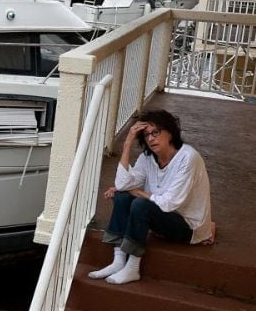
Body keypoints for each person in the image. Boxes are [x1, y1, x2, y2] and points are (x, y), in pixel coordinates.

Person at [87, 109, 213, 285]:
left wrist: (137, 192)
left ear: (170, 132)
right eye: (146, 135)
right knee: (122, 196)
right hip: (162, 217)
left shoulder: (188, 158)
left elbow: (168, 203)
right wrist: (127, 143)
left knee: (140, 204)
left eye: (156, 132)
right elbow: (124, 184)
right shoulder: (148, 157)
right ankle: (118, 260)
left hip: (187, 227)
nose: (151, 138)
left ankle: (132, 267)